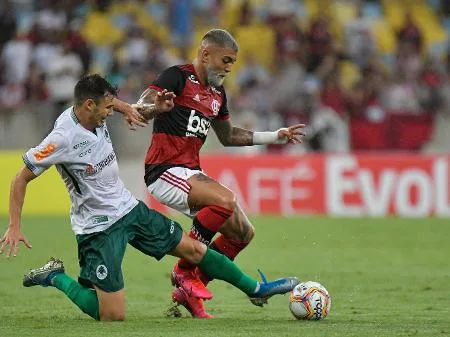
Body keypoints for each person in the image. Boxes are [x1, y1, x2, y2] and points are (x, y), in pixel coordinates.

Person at [0, 74, 299, 321]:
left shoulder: (99, 108)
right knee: (112, 315)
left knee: (194, 250)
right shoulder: (61, 139)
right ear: (88, 105)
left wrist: (143, 108)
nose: (110, 113)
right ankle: (55, 276)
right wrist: (14, 225)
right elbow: (20, 177)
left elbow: (118, 103)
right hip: (97, 227)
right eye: (106, 108)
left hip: (129, 209)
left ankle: (255, 289)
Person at [121, 29, 306, 318]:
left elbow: (229, 135)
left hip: (190, 173)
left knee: (243, 233)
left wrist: (276, 136)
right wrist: (154, 108)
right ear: (206, 54)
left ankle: (190, 290)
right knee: (225, 200)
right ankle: (184, 271)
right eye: (226, 60)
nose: (230, 68)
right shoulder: (176, 77)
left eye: (233, 62)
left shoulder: (217, 94)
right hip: (164, 170)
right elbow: (140, 107)